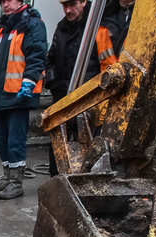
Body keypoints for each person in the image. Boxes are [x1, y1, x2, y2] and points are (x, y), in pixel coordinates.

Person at [0, 0, 47, 200]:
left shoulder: (32, 24)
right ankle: (7, 178)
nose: (6, 4)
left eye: (10, 0)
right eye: (2, 1)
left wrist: (29, 82)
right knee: (3, 141)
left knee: (16, 141)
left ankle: (16, 183)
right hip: (1, 94)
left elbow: (37, 56)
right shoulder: (2, 29)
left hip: (19, 95)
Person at [45, 0, 102, 175]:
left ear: (83, 2)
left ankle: (87, 180)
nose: (68, 10)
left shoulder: (96, 27)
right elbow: (51, 60)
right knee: (57, 141)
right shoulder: (61, 29)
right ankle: (56, 180)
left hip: (88, 97)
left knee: (88, 142)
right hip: (62, 95)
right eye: (64, 6)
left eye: (72, 5)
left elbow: (106, 63)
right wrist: (53, 83)